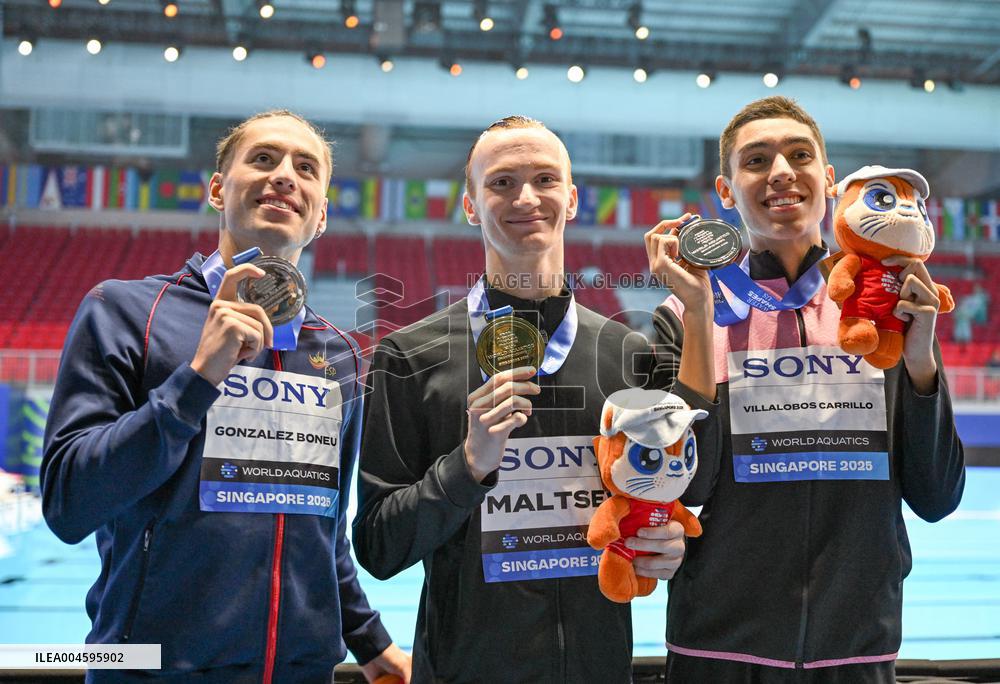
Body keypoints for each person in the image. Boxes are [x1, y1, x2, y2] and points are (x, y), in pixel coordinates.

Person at [42, 110, 410, 684]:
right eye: (263, 159)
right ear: (218, 188)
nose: (285, 175)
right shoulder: (125, 312)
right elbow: (69, 504)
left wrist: (370, 642)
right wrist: (195, 380)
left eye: (305, 168)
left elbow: (322, 526)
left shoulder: (339, 353)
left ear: (320, 217)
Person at [353, 115, 689, 683]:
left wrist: (666, 542)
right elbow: (379, 549)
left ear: (573, 198)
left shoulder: (628, 355)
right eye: (502, 182)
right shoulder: (410, 357)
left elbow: (660, 502)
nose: (526, 197)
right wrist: (469, 466)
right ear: (470, 205)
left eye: (544, 179)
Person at [645, 96, 965, 683]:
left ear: (829, 179)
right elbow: (686, 486)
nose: (781, 172)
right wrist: (697, 314)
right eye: (757, 160)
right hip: (718, 649)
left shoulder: (882, 310)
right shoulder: (684, 313)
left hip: (856, 647)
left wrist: (920, 360)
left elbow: (937, 497)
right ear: (725, 190)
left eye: (799, 155)